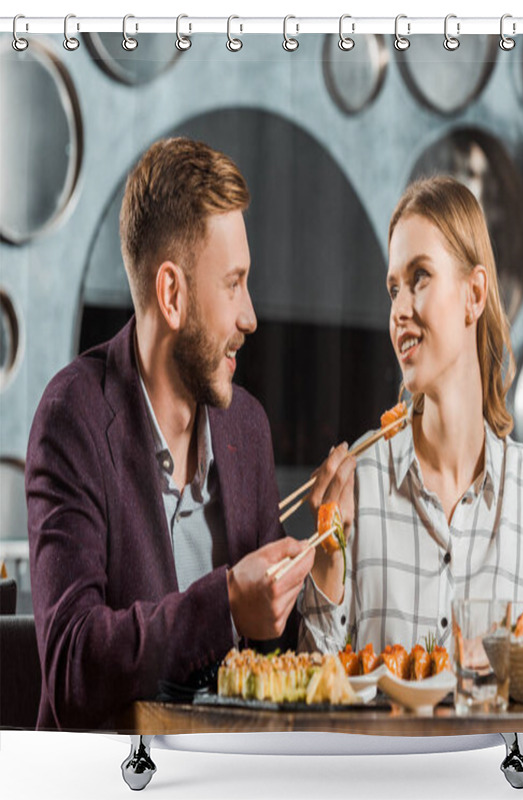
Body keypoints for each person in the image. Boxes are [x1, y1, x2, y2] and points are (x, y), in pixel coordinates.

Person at [25, 138, 315, 731]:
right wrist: (228, 603)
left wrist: (318, 574)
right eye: (233, 284)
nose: (250, 316)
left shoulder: (247, 429)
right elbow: (72, 663)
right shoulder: (71, 418)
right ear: (172, 294)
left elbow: (273, 668)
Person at [299, 176, 523, 663]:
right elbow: (313, 682)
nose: (399, 310)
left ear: (474, 295)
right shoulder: (360, 483)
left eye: (419, 278)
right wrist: (328, 560)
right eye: (393, 289)